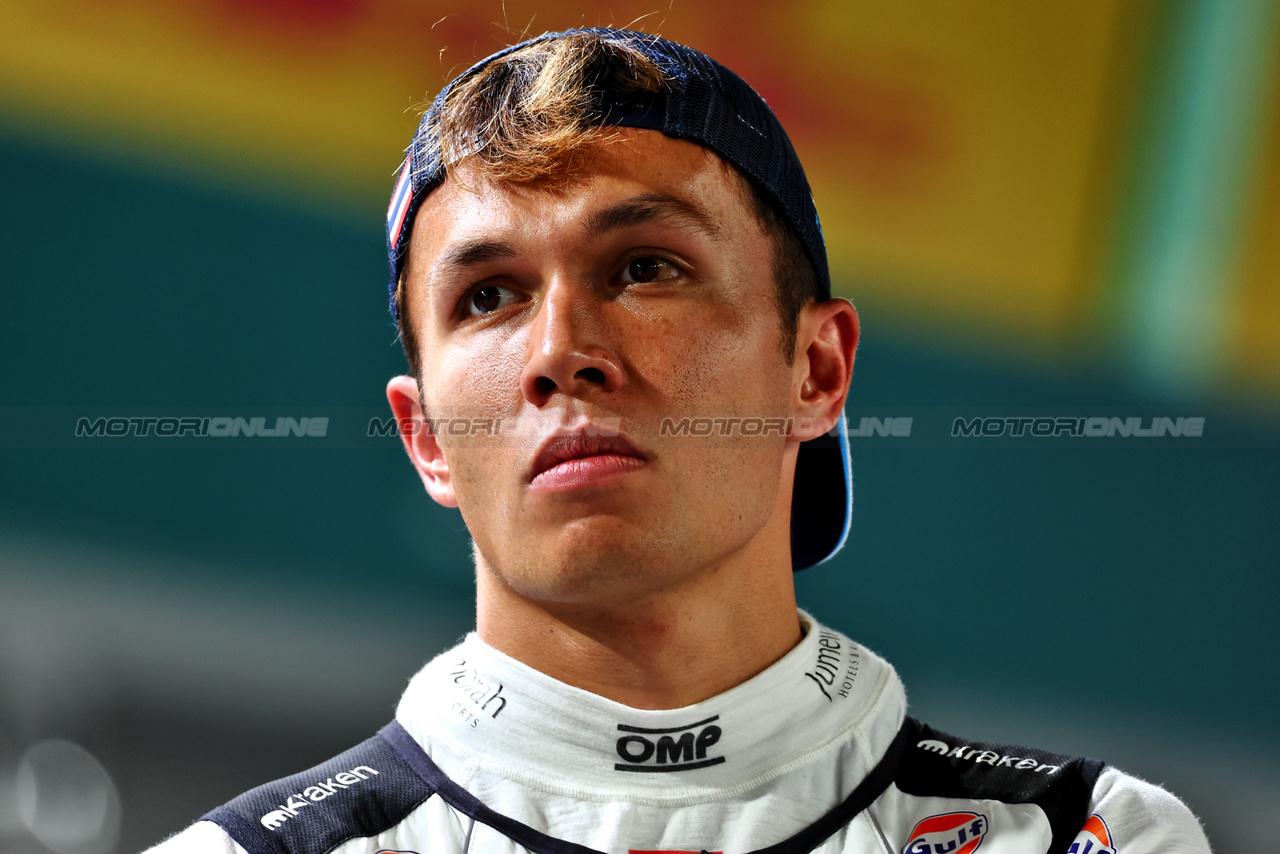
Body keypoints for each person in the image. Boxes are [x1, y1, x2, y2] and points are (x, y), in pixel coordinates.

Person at [147, 27, 1211, 854]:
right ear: (424, 438)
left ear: (816, 370)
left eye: (645, 266)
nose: (560, 350)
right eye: (487, 295)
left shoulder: (1088, 834)